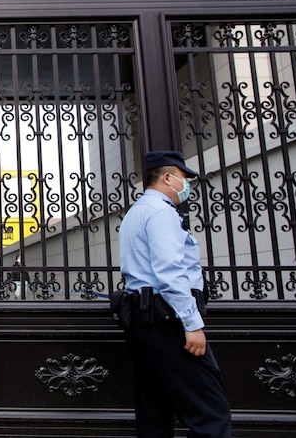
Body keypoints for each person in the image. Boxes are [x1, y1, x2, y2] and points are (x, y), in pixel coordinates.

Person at [116, 150, 232, 438]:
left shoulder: (137, 211)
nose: (186, 185)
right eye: (183, 178)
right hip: (167, 318)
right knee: (210, 412)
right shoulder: (160, 212)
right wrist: (192, 324)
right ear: (168, 177)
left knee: (154, 409)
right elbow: (170, 270)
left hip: (143, 318)